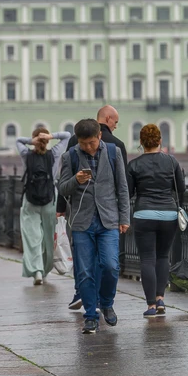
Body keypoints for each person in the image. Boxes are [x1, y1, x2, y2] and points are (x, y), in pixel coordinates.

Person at [59, 119, 130, 334]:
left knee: (110, 265)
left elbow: (122, 187)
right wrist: (76, 180)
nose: (88, 147)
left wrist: (124, 217)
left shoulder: (113, 152)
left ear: (99, 135)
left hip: (108, 218)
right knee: (85, 272)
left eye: (91, 142)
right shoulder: (70, 156)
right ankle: (90, 315)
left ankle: (106, 302)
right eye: (83, 144)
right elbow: (62, 189)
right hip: (82, 221)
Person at [126, 124, 186, 317]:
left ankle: (151, 305)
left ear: (141, 143)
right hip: (168, 214)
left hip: (144, 214)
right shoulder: (172, 161)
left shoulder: (134, 165)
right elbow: (181, 188)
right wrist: (178, 207)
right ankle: (161, 298)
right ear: (160, 141)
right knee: (163, 257)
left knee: (147, 259)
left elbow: (128, 193)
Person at [16, 127, 71, 284]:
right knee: (48, 237)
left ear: (34, 140)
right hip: (49, 199)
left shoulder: (27, 155)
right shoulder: (54, 154)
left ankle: (37, 271)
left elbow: (17, 141)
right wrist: (51, 136)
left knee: (32, 236)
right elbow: (67, 136)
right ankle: (46, 269)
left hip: (30, 199)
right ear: (47, 140)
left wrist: (30, 141)